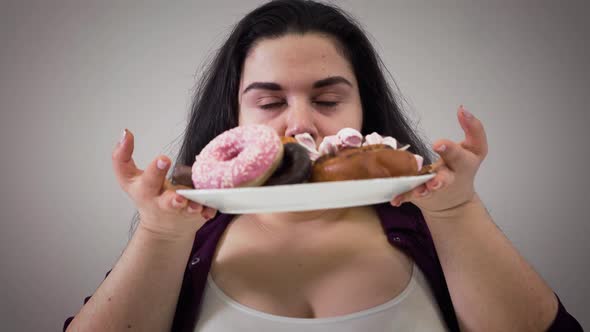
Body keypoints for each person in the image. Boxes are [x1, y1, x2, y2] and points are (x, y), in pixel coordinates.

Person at [64, 1, 582, 331]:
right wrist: (158, 233)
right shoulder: (186, 233)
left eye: (328, 100)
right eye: (268, 103)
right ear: (234, 119)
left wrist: (457, 211)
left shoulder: (426, 219)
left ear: (364, 112)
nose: (301, 125)